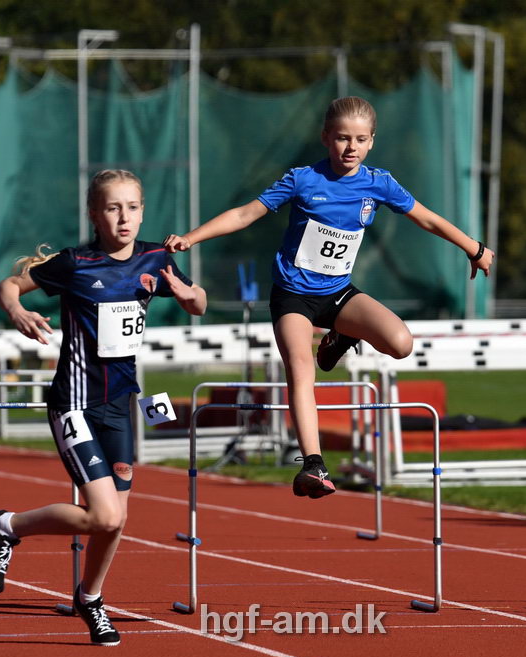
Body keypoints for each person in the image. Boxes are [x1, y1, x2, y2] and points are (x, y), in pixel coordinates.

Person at [164, 96, 495, 500]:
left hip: (338, 293)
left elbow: (426, 217)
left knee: (401, 343)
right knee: (302, 370)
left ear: (372, 142)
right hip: (292, 297)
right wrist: (191, 238)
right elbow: (245, 214)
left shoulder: (378, 182)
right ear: (325, 138)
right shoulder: (303, 180)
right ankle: (313, 464)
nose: (350, 148)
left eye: (359, 139)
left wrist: (473, 248)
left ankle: (339, 336)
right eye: (341, 138)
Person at [0, 169, 207, 646]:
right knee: (104, 516)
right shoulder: (74, 263)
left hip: (121, 405)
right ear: (95, 215)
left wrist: (190, 297)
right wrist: (18, 311)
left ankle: (91, 597)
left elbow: (199, 302)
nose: (123, 217)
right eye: (112, 208)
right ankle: (5, 525)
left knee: (115, 520)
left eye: (131, 207)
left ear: (143, 211)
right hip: (75, 403)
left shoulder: (156, 257)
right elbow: (8, 285)